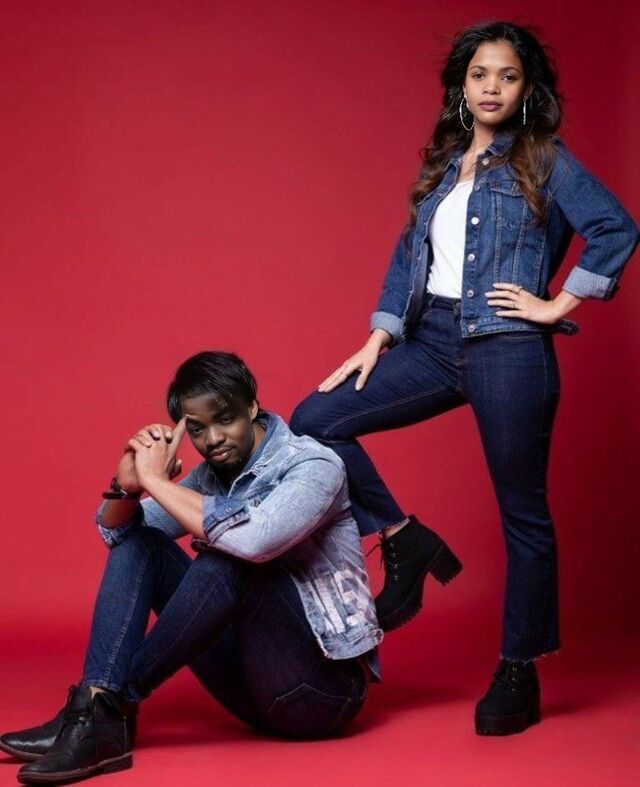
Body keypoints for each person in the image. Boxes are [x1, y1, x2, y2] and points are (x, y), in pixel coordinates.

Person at [289, 20, 639, 736]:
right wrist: (377, 339)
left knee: (523, 513)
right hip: (434, 342)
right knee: (315, 420)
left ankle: (519, 668)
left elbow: (616, 227)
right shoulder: (447, 164)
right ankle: (404, 536)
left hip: (510, 348)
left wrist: (557, 303)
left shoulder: (545, 159)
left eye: (507, 76)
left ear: (526, 88)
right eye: (480, 74)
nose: (491, 87)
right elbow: (407, 258)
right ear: (462, 84)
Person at [1, 351, 382, 784]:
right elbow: (119, 535)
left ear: (252, 407)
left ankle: (103, 709)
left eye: (226, 420)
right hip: (248, 687)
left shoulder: (313, 465)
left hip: (321, 694)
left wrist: (156, 481)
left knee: (230, 556)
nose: (213, 439)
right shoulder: (212, 475)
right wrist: (126, 488)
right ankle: (95, 711)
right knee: (142, 543)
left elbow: (257, 541)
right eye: (197, 430)